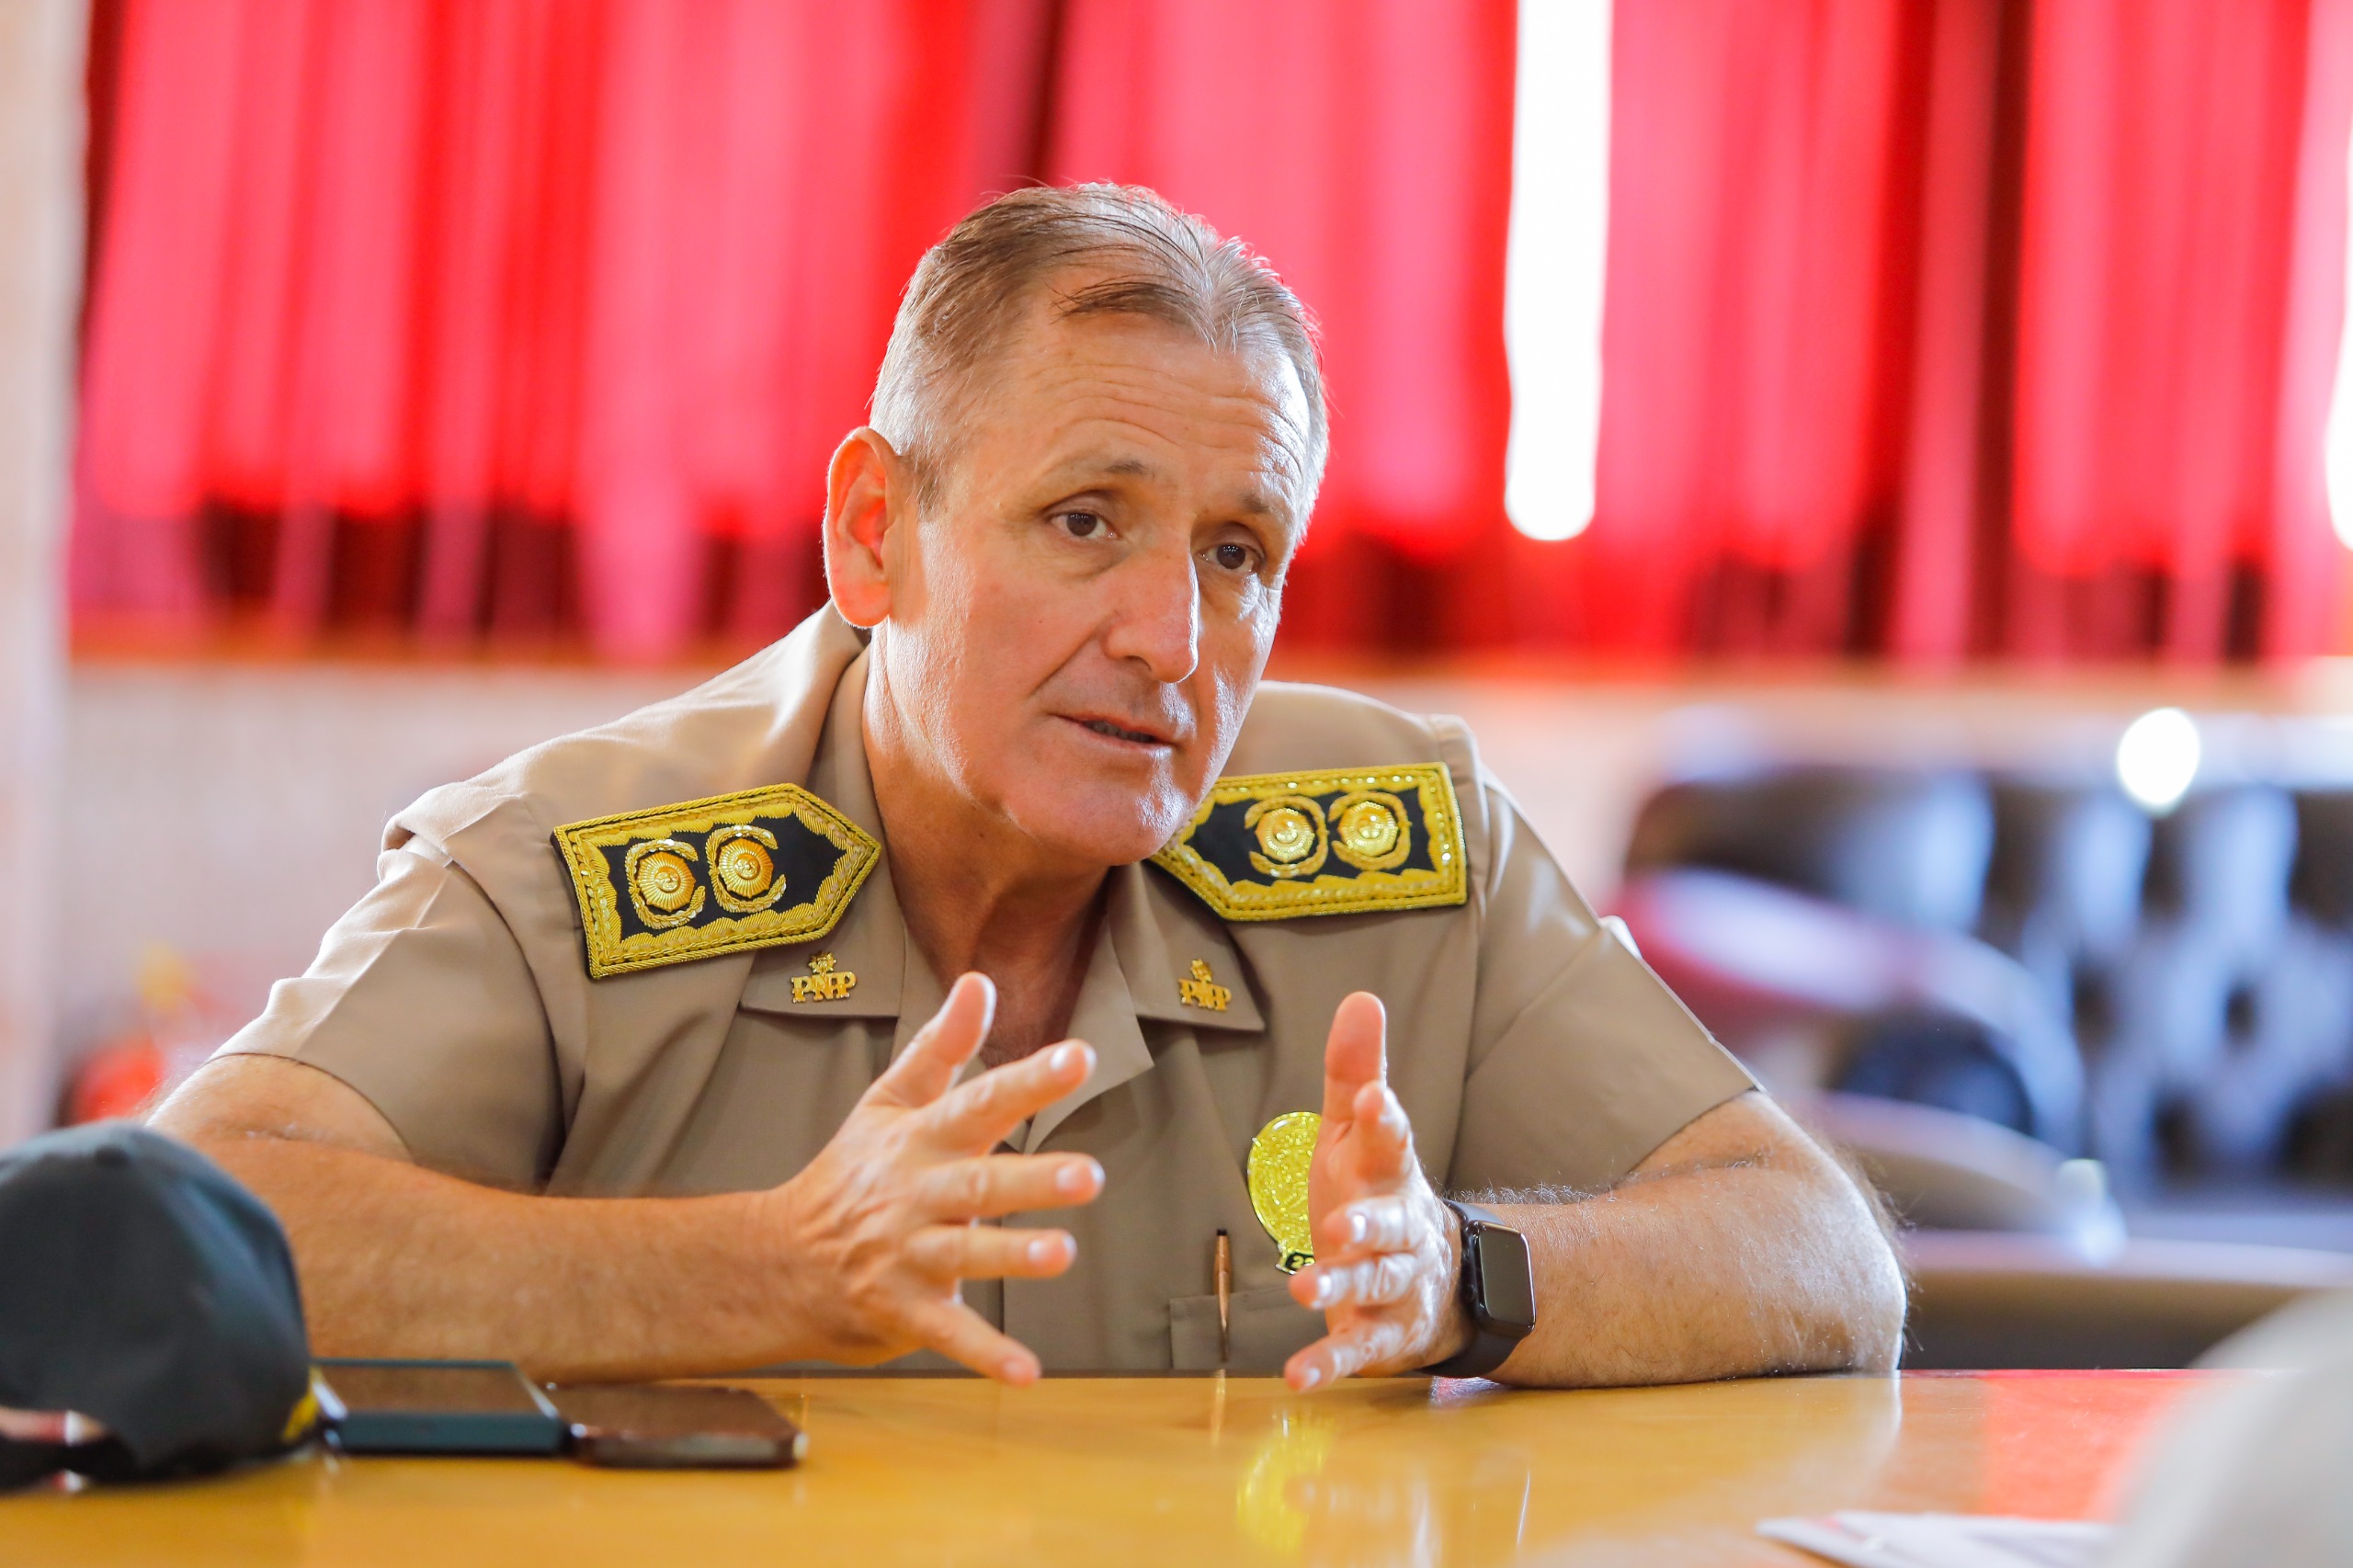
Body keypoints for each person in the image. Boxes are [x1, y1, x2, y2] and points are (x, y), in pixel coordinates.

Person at [152, 185, 1904, 1390]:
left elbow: (1823, 1257)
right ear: (874, 535)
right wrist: (771, 1267)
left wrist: (1459, 1274)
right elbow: (187, 1226)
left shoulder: (1403, 844)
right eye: (1085, 522)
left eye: (1237, 552)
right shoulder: (577, 865)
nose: (1171, 639)